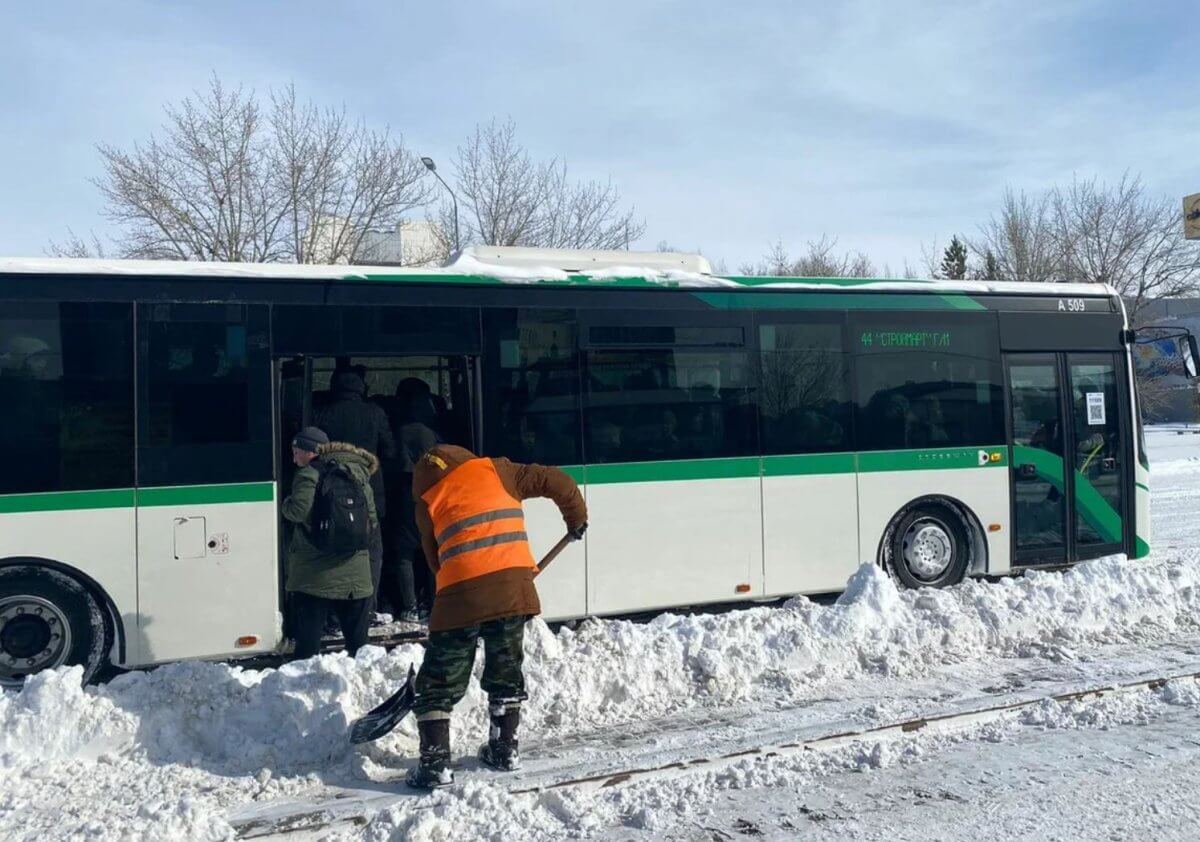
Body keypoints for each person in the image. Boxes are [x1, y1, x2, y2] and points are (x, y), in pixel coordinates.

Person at [405, 444, 588, 789]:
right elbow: (558, 481)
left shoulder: (426, 498)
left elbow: (434, 559)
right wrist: (576, 518)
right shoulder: (498, 471)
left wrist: (458, 592)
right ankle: (505, 749)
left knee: (439, 680)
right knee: (505, 668)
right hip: (512, 590)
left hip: (459, 595)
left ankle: (435, 764)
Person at [281, 427, 379, 659]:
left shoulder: (308, 475)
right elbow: (372, 519)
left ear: (310, 452)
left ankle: (300, 689)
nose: (294, 458)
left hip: (314, 576)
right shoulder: (359, 474)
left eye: (296, 452)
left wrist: (285, 503)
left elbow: (297, 511)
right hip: (356, 577)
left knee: (307, 648)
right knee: (360, 649)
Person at [314, 370, 396, 615]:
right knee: (371, 553)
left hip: (331, 494)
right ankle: (366, 608)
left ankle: (333, 610)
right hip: (369, 493)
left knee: (334, 552)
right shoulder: (375, 413)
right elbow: (389, 450)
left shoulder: (322, 414)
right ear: (361, 389)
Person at [383, 389, 441, 624]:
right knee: (431, 550)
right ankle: (435, 600)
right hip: (430, 491)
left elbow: (388, 456)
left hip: (404, 491)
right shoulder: (431, 433)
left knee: (404, 553)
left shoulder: (400, 430)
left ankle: (410, 606)